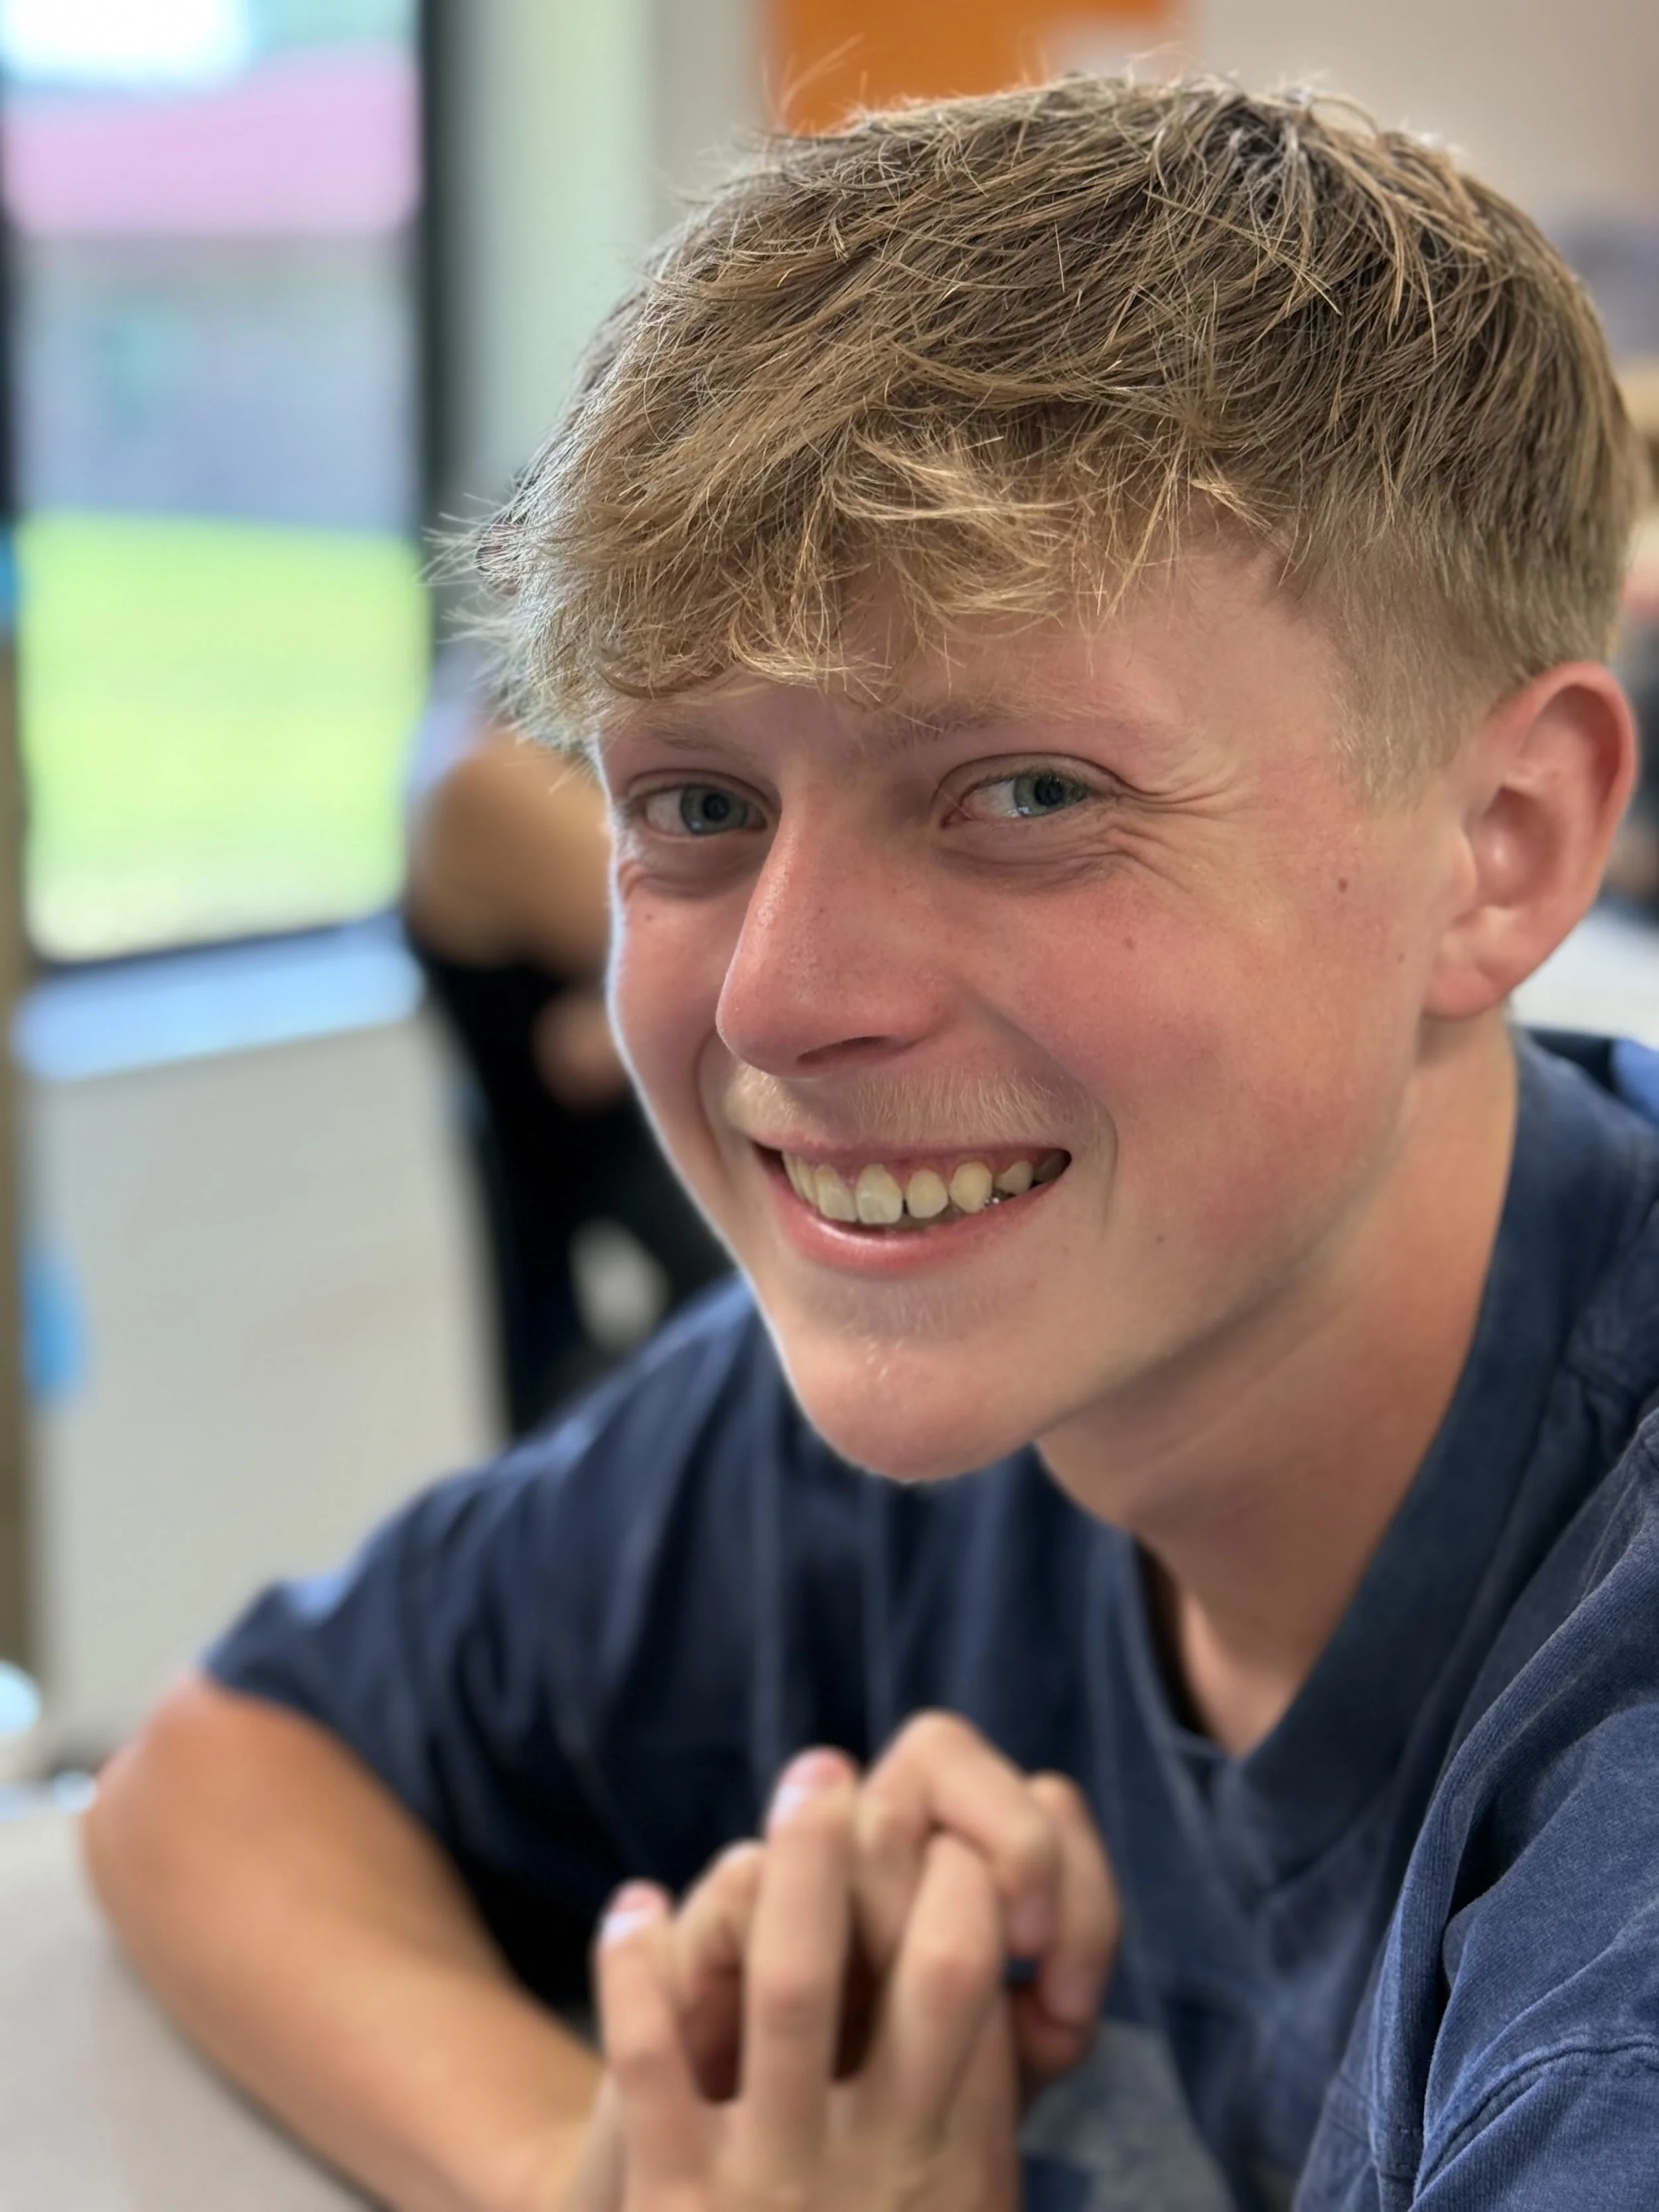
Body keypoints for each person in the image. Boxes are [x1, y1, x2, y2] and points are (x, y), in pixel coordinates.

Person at [80, 74, 1659, 2212]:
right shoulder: (996, 1366)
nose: (771, 1002)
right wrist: (607, 2174)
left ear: (1500, 846)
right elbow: (222, 1775)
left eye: (1021, 793)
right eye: (697, 807)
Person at [403, 647, 729, 1430]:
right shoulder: (480, 770)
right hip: (624, 1324)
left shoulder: (517, 753)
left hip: (650, 1294)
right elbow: (720, 950)